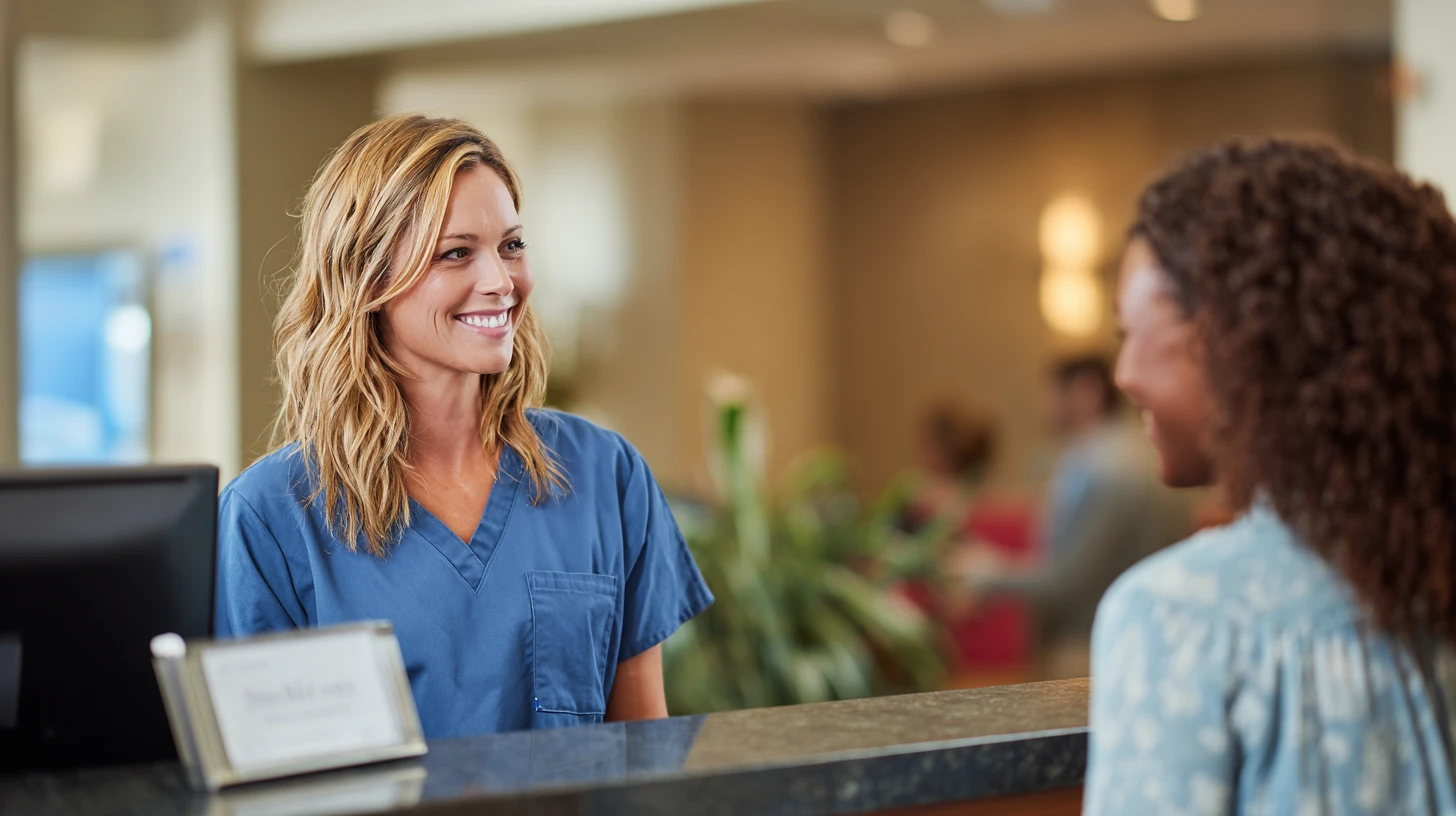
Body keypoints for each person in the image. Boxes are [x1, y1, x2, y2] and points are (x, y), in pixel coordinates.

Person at [215, 114, 714, 739]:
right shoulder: (271, 517)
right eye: (457, 253)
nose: (501, 282)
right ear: (367, 278)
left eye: (511, 246)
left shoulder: (606, 475)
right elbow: (266, 783)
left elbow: (644, 747)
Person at [1084, 136, 1456, 813]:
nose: (1123, 375)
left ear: (1229, 340)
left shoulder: (1179, 616)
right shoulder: (1430, 579)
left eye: (1128, 333)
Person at [952, 356, 1189, 679]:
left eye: (1051, 392)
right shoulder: (1146, 451)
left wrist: (988, 574)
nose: (1043, 405)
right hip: (1149, 642)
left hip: (1090, 652)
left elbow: (1068, 580)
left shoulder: (1101, 468)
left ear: (1085, 391)